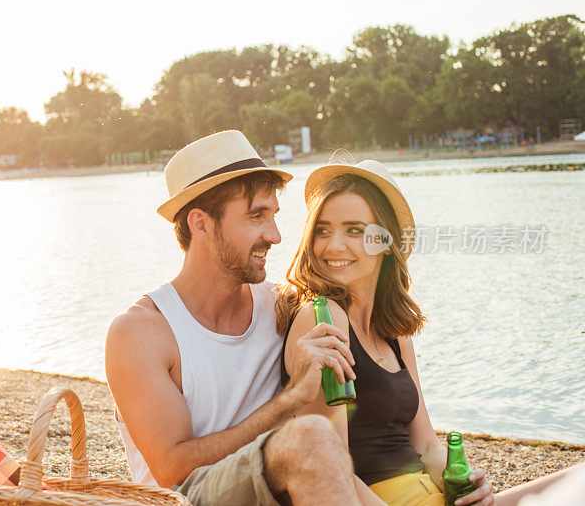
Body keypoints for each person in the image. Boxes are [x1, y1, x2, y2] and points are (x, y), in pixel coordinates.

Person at [276, 158, 583, 506]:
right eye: (323, 229)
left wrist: (468, 483)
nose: (332, 246)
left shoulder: (394, 330)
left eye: (354, 230)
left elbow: (426, 445)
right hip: (379, 500)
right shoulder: (323, 317)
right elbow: (330, 467)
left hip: (432, 494)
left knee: (579, 479)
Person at [105, 130, 362, 506]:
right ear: (201, 223)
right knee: (310, 437)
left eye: (273, 216)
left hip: (273, 486)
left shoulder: (280, 306)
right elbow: (172, 470)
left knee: (319, 437)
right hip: (187, 499)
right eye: (256, 216)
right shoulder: (142, 332)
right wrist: (289, 400)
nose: (274, 235)